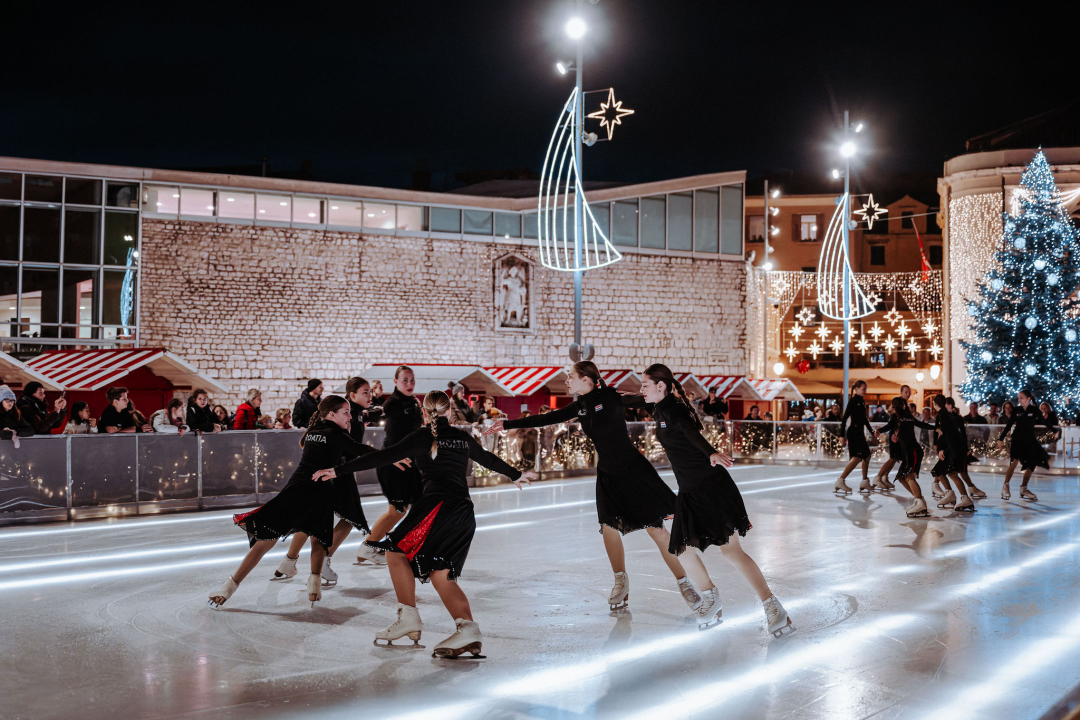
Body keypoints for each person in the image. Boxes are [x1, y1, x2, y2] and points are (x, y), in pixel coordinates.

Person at [312, 390, 536, 657]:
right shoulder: (462, 437)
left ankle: (409, 619)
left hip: (436, 506)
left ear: (424, 410)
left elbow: (381, 457)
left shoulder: (422, 437)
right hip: (463, 511)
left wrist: (337, 470)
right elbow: (488, 459)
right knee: (441, 573)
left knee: (395, 551)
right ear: (449, 410)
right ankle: (468, 629)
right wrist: (516, 474)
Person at [486, 361, 690, 613]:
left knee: (655, 529)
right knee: (608, 528)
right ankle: (620, 582)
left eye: (570, 376)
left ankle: (684, 582)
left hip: (633, 469)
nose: (566, 381)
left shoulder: (611, 396)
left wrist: (677, 403)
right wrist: (506, 424)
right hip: (607, 473)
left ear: (586, 378)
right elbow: (547, 418)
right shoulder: (580, 405)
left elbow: (653, 401)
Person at [630, 365, 794, 636]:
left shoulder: (675, 410)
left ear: (661, 386)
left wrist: (712, 452)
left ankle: (772, 605)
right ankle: (710, 597)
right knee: (681, 549)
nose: (641, 390)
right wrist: (600, 394)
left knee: (731, 550)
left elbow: (689, 431)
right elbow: (630, 398)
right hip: (689, 491)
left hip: (710, 487)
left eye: (645, 385)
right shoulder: (659, 407)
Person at [208, 396, 379, 610]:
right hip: (320, 492)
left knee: (265, 540)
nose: (350, 416)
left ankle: (229, 588)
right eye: (345, 412)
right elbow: (361, 451)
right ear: (332, 414)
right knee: (318, 537)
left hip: (295, 490)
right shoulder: (337, 434)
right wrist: (390, 456)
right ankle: (313, 586)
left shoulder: (314, 432)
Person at [276, 377, 384, 580]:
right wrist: (384, 457)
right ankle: (323, 561)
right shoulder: (347, 414)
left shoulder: (353, 412)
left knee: (312, 517)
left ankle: (290, 561)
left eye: (371, 391)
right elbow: (349, 445)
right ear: (352, 395)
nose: (370, 395)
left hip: (336, 470)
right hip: (339, 472)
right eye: (365, 392)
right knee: (349, 518)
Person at [362, 366, 424, 559]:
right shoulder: (393, 403)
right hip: (393, 463)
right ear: (395, 381)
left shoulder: (414, 402)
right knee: (397, 511)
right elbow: (376, 415)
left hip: (410, 463)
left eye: (412, 380)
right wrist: (359, 416)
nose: (409, 384)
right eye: (405, 380)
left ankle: (402, 544)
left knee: (419, 505)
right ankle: (368, 547)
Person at [879, 396, 938, 517]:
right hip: (909, 452)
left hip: (913, 452)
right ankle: (919, 500)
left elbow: (889, 426)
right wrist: (935, 427)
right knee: (901, 477)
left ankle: (920, 503)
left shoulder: (897, 417)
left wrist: (878, 431)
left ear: (894, 407)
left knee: (909, 477)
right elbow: (922, 425)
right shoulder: (904, 417)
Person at [999, 389, 1051, 501]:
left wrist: (1054, 430)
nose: (1019, 400)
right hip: (1017, 440)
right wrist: (1001, 438)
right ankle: (1005, 485)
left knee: (1031, 464)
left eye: (1021, 398)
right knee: (1014, 461)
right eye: (1018, 398)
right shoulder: (1017, 410)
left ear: (1028, 399)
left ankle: (1023, 488)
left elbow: (1044, 421)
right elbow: (1009, 425)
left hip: (1029, 441)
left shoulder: (1034, 410)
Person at [930, 394, 976, 512]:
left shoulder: (943, 416)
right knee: (942, 471)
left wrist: (941, 449)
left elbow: (943, 434)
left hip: (953, 449)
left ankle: (963, 498)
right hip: (953, 448)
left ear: (935, 404)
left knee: (949, 472)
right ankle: (951, 494)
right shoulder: (946, 415)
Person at [835, 380, 875, 494]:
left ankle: (864, 481)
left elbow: (864, 419)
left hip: (859, 432)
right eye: (863, 389)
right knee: (857, 457)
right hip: (853, 433)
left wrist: (872, 432)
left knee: (866, 456)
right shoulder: (853, 401)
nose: (865, 391)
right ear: (856, 389)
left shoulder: (862, 402)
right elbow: (844, 418)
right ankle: (841, 480)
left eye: (866, 389)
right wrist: (842, 435)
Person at [872, 385, 912, 492]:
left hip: (900, 437)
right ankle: (878, 477)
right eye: (906, 392)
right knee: (893, 457)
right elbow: (893, 423)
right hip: (895, 437)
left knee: (895, 458)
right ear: (901, 392)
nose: (908, 394)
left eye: (909, 392)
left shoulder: (905, 406)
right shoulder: (898, 405)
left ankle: (884, 477)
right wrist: (892, 432)